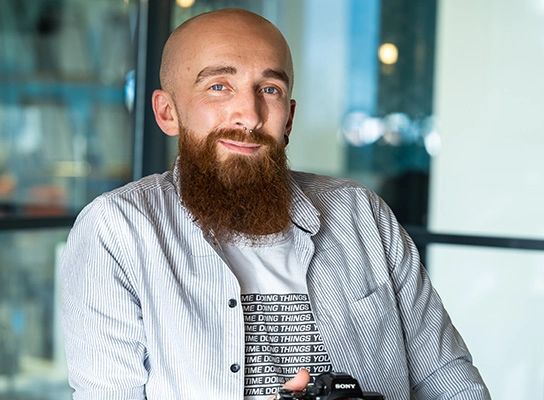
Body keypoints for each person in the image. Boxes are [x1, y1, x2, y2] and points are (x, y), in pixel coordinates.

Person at [59, 7, 490, 400]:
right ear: (168, 112)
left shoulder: (364, 216)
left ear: (289, 116)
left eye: (269, 88)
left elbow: (449, 380)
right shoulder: (117, 230)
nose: (249, 114)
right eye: (218, 86)